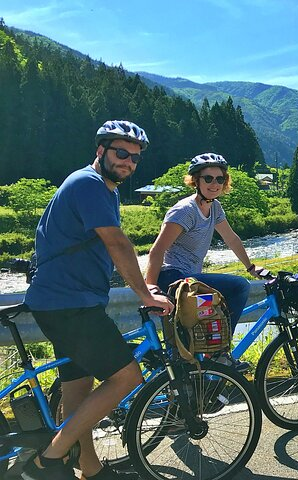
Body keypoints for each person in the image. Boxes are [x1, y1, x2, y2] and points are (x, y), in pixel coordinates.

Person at [22, 120, 173, 480]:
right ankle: (49, 460)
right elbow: (117, 242)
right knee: (127, 378)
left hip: (69, 302)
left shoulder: (106, 190)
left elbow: (103, 252)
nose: (128, 162)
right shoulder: (88, 184)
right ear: (101, 150)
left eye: (135, 158)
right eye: (121, 153)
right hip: (68, 305)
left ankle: (89, 467)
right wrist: (144, 291)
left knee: (77, 390)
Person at [144, 153, 262, 349]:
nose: (214, 184)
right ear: (196, 180)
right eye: (208, 178)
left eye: (220, 179)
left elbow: (231, 238)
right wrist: (151, 287)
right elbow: (157, 250)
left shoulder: (214, 207)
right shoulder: (185, 211)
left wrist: (250, 267)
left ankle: (204, 361)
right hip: (172, 277)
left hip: (190, 278)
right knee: (240, 287)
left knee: (187, 342)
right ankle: (221, 350)